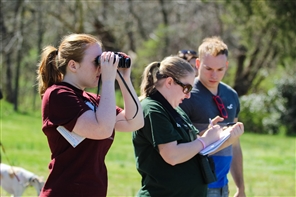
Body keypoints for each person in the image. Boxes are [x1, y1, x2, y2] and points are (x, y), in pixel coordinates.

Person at [36, 33, 144, 197]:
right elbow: (102, 130)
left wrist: (124, 78)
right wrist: (108, 80)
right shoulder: (58, 95)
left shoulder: (93, 100)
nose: (101, 68)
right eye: (97, 62)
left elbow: (134, 122)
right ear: (73, 65)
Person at [132, 56, 244, 197]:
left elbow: (195, 149)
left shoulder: (175, 109)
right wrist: (205, 140)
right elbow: (172, 155)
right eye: (187, 88)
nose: (188, 96)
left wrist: (224, 137)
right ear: (170, 82)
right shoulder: (152, 109)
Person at [180, 36, 246, 197]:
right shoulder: (184, 95)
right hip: (194, 187)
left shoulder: (231, 95)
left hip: (223, 187)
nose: (214, 75)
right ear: (197, 64)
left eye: (220, 69)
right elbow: (179, 145)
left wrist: (241, 187)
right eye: (208, 69)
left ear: (226, 66)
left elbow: (235, 145)